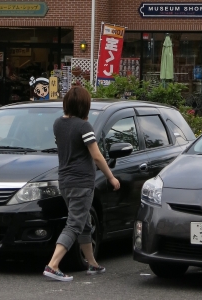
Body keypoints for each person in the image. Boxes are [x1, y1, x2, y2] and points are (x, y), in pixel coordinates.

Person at [43, 86, 120, 282]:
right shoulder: (84, 127)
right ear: (85, 106)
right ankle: (53, 265)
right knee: (74, 224)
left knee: (84, 222)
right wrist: (111, 177)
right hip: (82, 182)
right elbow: (97, 156)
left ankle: (92, 263)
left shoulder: (58, 124)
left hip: (65, 180)